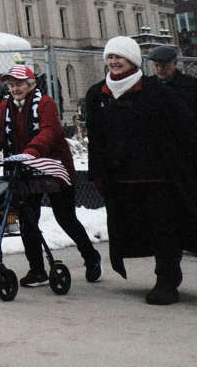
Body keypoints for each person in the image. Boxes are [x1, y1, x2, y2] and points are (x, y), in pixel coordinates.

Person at [0, 59, 102, 286]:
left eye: (19, 84)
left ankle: (91, 256)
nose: (15, 88)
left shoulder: (44, 104)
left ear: (30, 84)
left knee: (65, 218)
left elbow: (50, 132)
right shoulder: (5, 107)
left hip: (53, 169)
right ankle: (37, 270)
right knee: (27, 220)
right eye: (11, 85)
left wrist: (31, 152)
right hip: (24, 170)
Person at [84, 35, 197, 305]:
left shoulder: (156, 91)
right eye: (110, 57)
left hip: (157, 175)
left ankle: (167, 279)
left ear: (133, 60)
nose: (114, 61)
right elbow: (96, 137)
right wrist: (97, 172)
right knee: (136, 227)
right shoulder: (97, 93)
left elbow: (183, 127)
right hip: (120, 177)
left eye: (119, 57)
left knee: (164, 228)